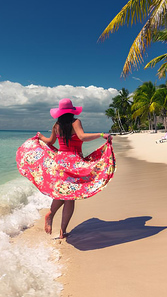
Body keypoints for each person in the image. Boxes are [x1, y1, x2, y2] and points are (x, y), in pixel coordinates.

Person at [36, 98, 112, 239]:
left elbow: (50, 142)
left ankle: (51, 214)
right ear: (71, 111)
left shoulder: (56, 125)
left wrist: (40, 137)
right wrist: (101, 135)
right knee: (70, 198)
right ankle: (62, 231)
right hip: (73, 162)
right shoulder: (75, 122)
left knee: (63, 194)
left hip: (59, 162)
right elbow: (82, 137)